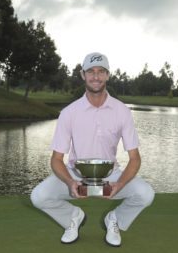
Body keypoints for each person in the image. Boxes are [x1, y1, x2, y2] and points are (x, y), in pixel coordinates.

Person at [30, 52, 155, 247]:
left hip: (110, 174)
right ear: (83, 75)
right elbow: (56, 159)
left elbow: (135, 158)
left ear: (107, 75)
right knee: (39, 196)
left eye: (100, 71)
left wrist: (120, 184)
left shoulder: (122, 111)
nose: (95, 76)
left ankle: (114, 220)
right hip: (76, 174)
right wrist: (70, 182)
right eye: (91, 71)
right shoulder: (69, 113)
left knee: (146, 194)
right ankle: (74, 217)